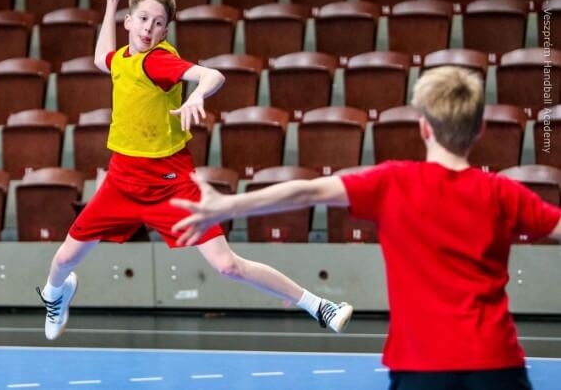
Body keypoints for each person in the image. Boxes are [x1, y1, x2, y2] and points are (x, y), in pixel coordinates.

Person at [172, 66, 561, 390]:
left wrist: (228, 205)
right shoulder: (503, 193)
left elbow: (307, 191)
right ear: (479, 130)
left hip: (420, 367)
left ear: (424, 128)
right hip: (497, 363)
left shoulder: (394, 182)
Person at [35, 0, 354, 341]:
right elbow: (101, 58)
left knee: (227, 265)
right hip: (122, 180)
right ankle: (55, 296)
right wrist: (111, 2)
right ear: (129, 22)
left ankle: (319, 305)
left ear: (165, 31)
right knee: (64, 260)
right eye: (143, 19)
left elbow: (211, 75)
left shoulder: (159, 62)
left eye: (158, 23)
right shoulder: (123, 58)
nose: (149, 28)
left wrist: (198, 95)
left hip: (170, 184)